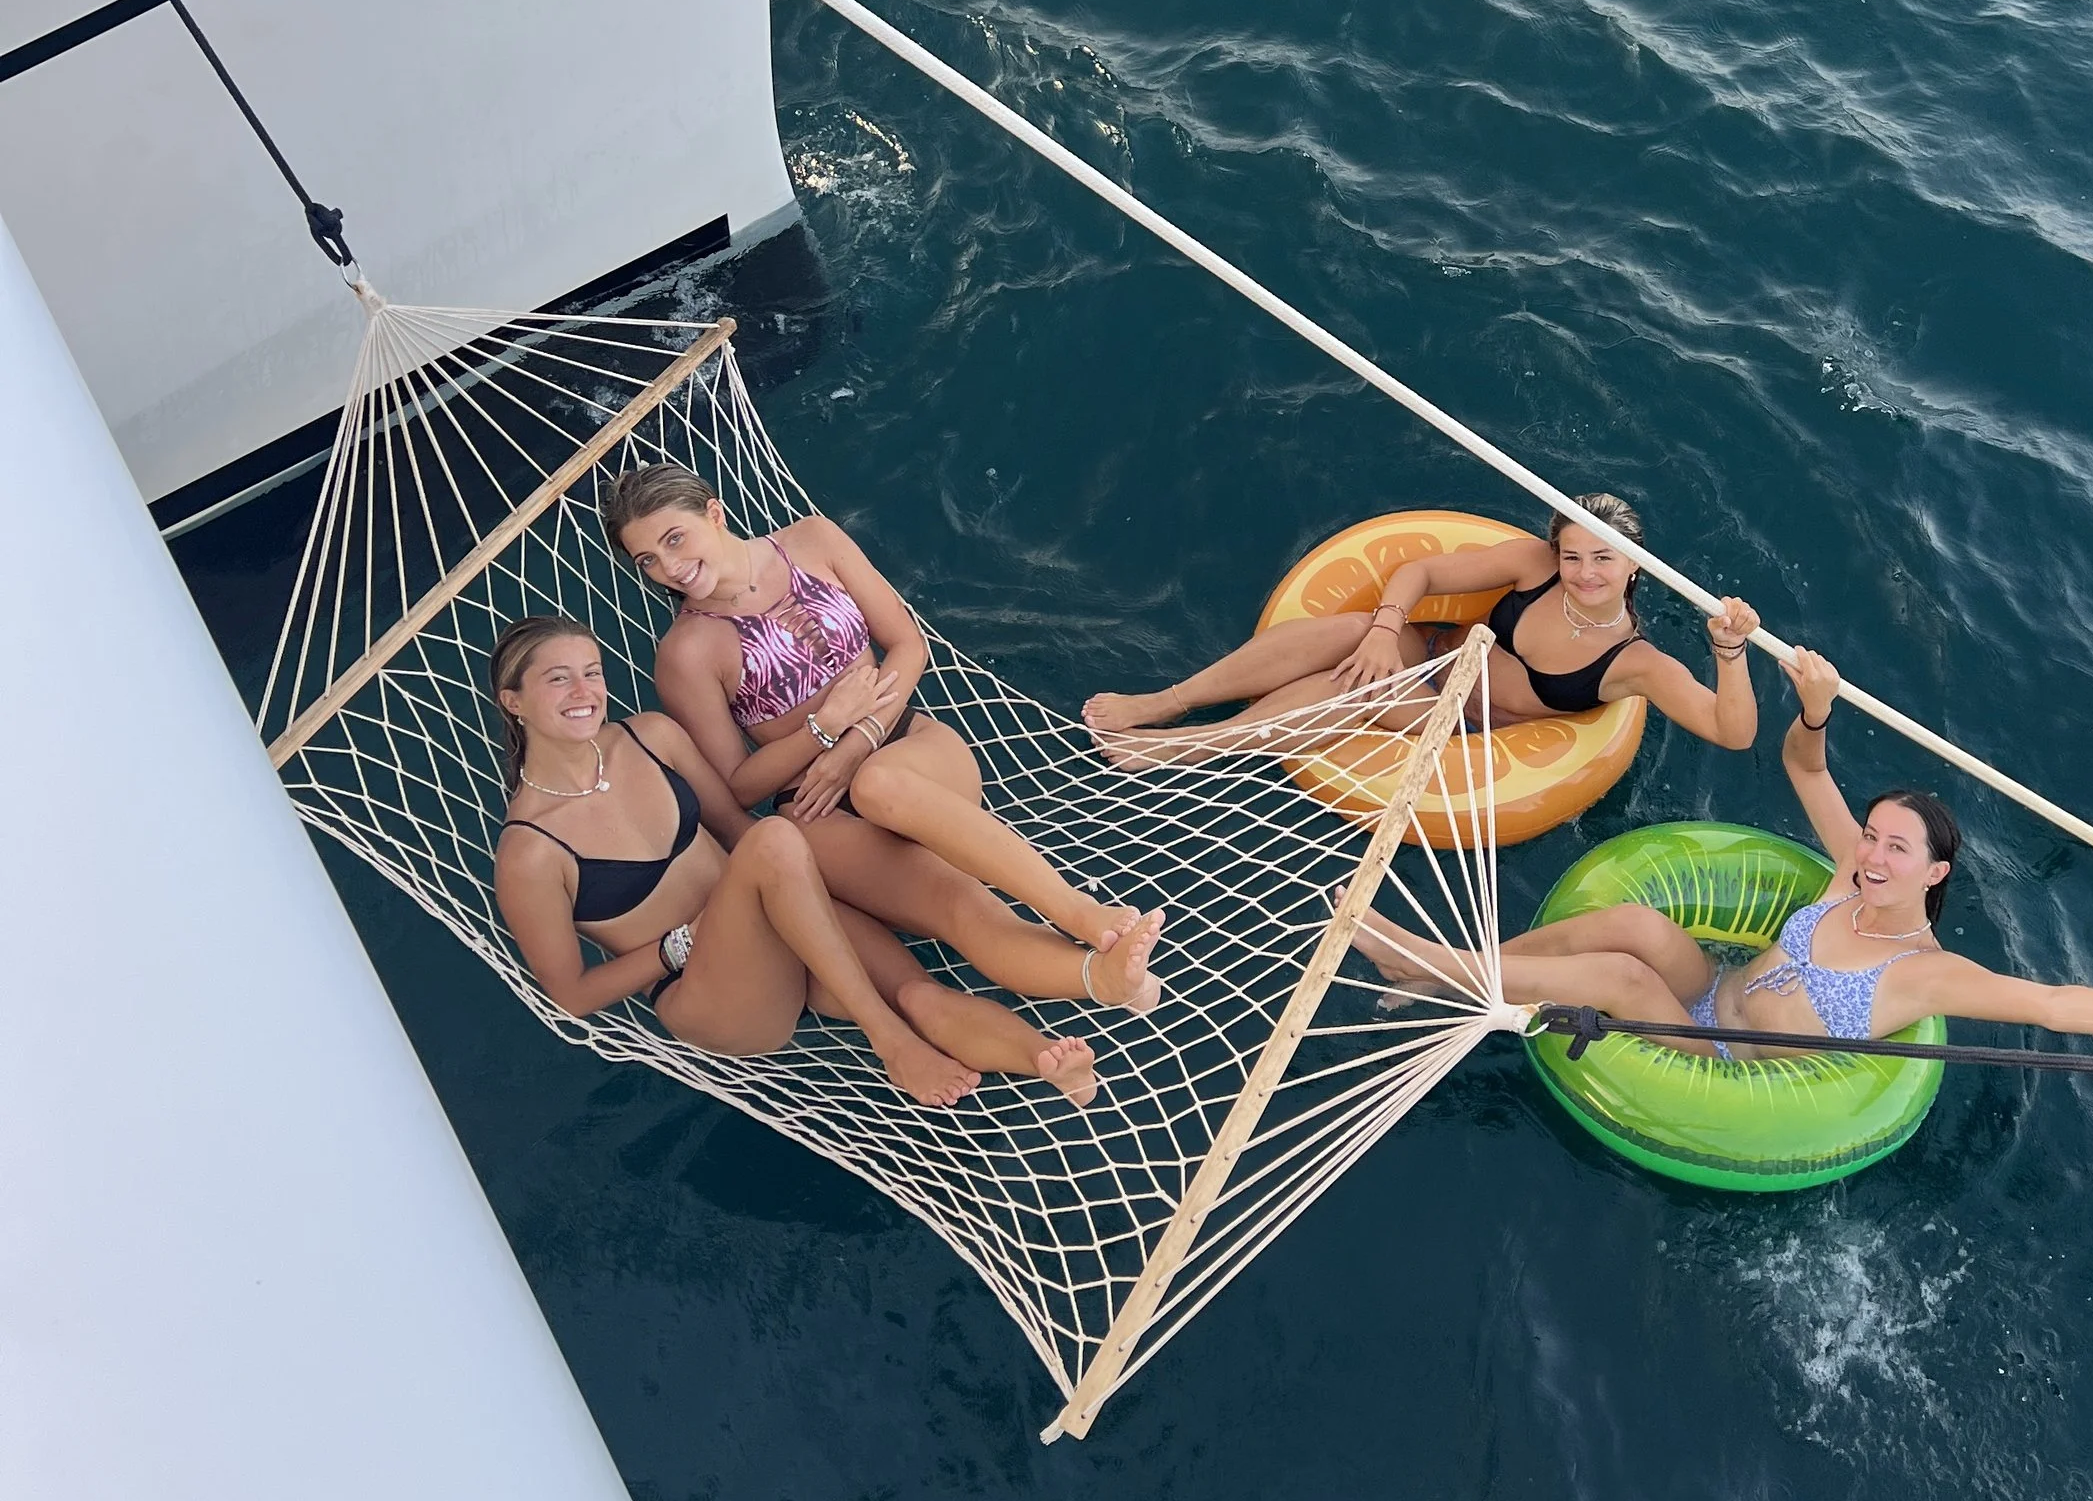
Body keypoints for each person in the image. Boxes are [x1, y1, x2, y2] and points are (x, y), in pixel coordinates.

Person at [1351, 648, 2093, 1061]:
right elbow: (1804, 766)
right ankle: (1448, 975)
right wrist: (1815, 710)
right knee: (1641, 924)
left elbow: (2056, 1004)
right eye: (1874, 836)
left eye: (1897, 846)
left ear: (1936, 873)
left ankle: (1419, 962)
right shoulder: (1855, 871)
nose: (1872, 853)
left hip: (1725, 1059)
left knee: (1615, 973)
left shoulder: (1924, 974)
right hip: (1711, 990)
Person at [601, 466, 1163, 1015]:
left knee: (877, 780)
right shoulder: (685, 653)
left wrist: (855, 738)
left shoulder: (813, 541)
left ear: (714, 513)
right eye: (648, 560)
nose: (669, 567)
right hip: (821, 810)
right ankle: (1100, 978)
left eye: (675, 539)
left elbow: (908, 644)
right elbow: (737, 786)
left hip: (907, 746)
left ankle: (1077, 911)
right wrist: (823, 729)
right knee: (956, 904)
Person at [487, 619, 1101, 1108]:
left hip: (777, 914)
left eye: (592, 673)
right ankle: (891, 1046)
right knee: (777, 841)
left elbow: (735, 826)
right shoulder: (530, 851)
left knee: (916, 991)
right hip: (710, 992)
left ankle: (1047, 1060)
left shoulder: (651, 736)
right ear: (512, 701)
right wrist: (679, 945)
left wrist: (866, 851)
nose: (583, 692)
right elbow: (571, 996)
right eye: (558, 679)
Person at [1083, 494, 1761, 757]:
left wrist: (1730, 654)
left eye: (1603, 560)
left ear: (1633, 568)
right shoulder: (1534, 564)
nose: (1585, 572)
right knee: (1355, 636)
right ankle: (1162, 702)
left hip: (1461, 717)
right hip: (1431, 654)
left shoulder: (1631, 661)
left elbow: (1733, 732)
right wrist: (1385, 629)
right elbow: (1422, 574)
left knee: (1362, 685)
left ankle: (1186, 748)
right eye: (1574, 554)